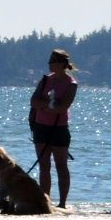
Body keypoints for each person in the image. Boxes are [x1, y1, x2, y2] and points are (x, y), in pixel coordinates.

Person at [29, 48, 78, 208]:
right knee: (44, 166)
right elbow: (33, 101)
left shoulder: (71, 84)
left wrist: (46, 106)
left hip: (59, 128)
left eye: (52, 61)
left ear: (61, 64)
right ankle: (46, 201)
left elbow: (62, 107)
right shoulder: (44, 80)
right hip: (41, 126)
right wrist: (47, 105)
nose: (49, 64)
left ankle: (63, 203)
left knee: (61, 165)